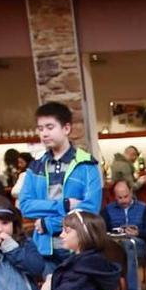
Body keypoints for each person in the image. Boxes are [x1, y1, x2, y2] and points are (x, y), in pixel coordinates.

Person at [19, 102, 103, 275]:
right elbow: (26, 205)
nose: (44, 133)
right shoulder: (35, 166)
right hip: (45, 248)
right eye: (40, 128)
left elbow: (91, 208)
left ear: (66, 128)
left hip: (77, 246)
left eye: (50, 127)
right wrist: (64, 206)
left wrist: (49, 223)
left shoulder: (86, 163)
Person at [35, 210, 120, 290]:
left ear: (83, 234)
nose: (61, 235)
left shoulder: (79, 271)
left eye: (67, 231)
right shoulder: (93, 264)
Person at [102, 180, 146, 290]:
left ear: (131, 192)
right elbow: (102, 231)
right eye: (119, 198)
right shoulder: (108, 210)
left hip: (138, 244)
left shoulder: (143, 207)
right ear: (115, 196)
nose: (123, 200)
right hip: (116, 245)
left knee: (129, 244)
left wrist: (138, 233)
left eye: (126, 196)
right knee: (118, 248)